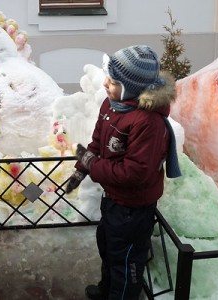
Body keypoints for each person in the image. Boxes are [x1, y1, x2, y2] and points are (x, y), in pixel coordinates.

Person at [66, 45, 181, 300]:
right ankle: (108, 290)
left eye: (114, 81)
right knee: (108, 247)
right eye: (108, 77)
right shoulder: (113, 106)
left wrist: (93, 165)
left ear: (133, 87)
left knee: (126, 259)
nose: (106, 84)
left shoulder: (147, 122)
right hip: (113, 199)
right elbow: (96, 143)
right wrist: (81, 170)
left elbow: (134, 173)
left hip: (133, 207)